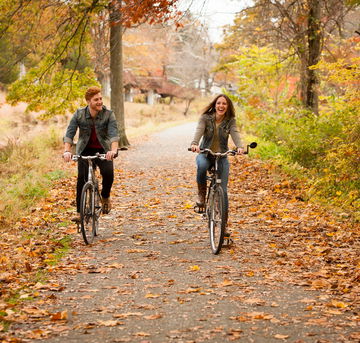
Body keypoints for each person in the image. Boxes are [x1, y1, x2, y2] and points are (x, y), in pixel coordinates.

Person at [63, 86, 119, 221]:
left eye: (100, 98)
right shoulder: (79, 114)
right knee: (81, 179)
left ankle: (105, 197)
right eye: (96, 100)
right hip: (85, 149)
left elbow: (114, 134)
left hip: (104, 150)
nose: (100, 102)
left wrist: (113, 150)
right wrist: (67, 151)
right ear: (89, 101)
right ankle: (79, 213)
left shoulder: (108, 114)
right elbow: (70, 133)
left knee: (108, 174)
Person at [190, 94, 244, 232]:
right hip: (205, 153)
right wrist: (195, 143)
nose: (221, 106)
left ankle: (223, 227)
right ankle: (201, 195)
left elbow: (235, 133)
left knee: (223, 191)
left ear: (228, 107)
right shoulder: (205, 118)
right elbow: (199, 131)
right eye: (219, 103)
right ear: (215, 105)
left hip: (221, 157)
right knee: (201, 166)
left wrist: (240, 146)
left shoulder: (230, 121)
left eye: (224, 104)